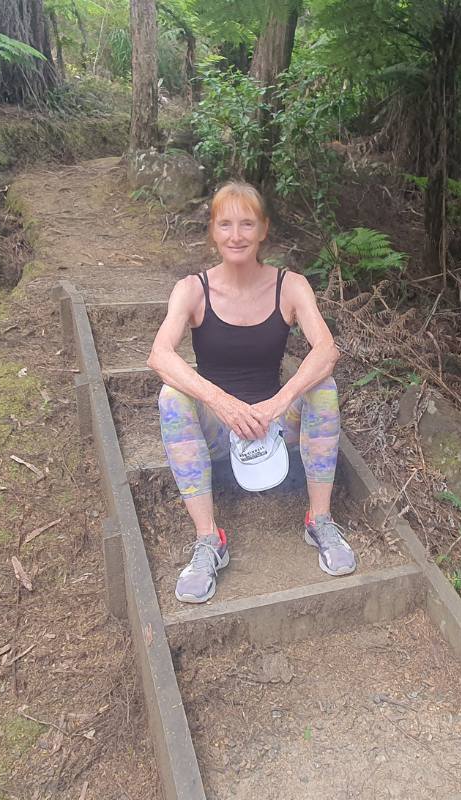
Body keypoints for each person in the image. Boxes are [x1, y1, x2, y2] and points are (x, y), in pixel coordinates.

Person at [147, 181, 356, 604]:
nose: (236, 235)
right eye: (225, 224)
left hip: (274, 427)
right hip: (218, 430)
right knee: (171, 397)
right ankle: (209, 540)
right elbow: (159, 356)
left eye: (246, 224)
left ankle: (319, 519)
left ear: (263, 230)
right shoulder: (192, 289)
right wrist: (219, 402)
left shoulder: (290, 285)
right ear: (212, 231)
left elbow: (327, 350)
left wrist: (278, 403)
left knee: (324, 388)